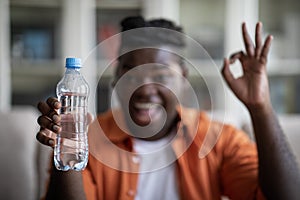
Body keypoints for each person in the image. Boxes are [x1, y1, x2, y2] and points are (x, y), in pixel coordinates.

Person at [36, 16, 300, 200]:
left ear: (183, 79)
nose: (144, 87)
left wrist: (260, 107)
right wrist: (67, 150)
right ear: (115, 77)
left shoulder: (220, 140)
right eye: (131, 72)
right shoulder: (84, 139)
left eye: (160, 75)